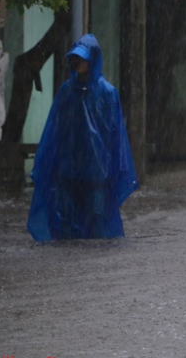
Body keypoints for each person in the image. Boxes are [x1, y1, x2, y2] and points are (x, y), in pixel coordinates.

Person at [27, 34, 138, 241]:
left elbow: (116, 135)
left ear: (93, 59)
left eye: (82, 58)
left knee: (97, 218)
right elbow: (54, 129)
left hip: (96, 168)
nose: (77, 62)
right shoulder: (66, 91)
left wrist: (114, 166)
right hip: (68, 165)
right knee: (66, 218)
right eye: (74, 58)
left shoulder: (107, 93)